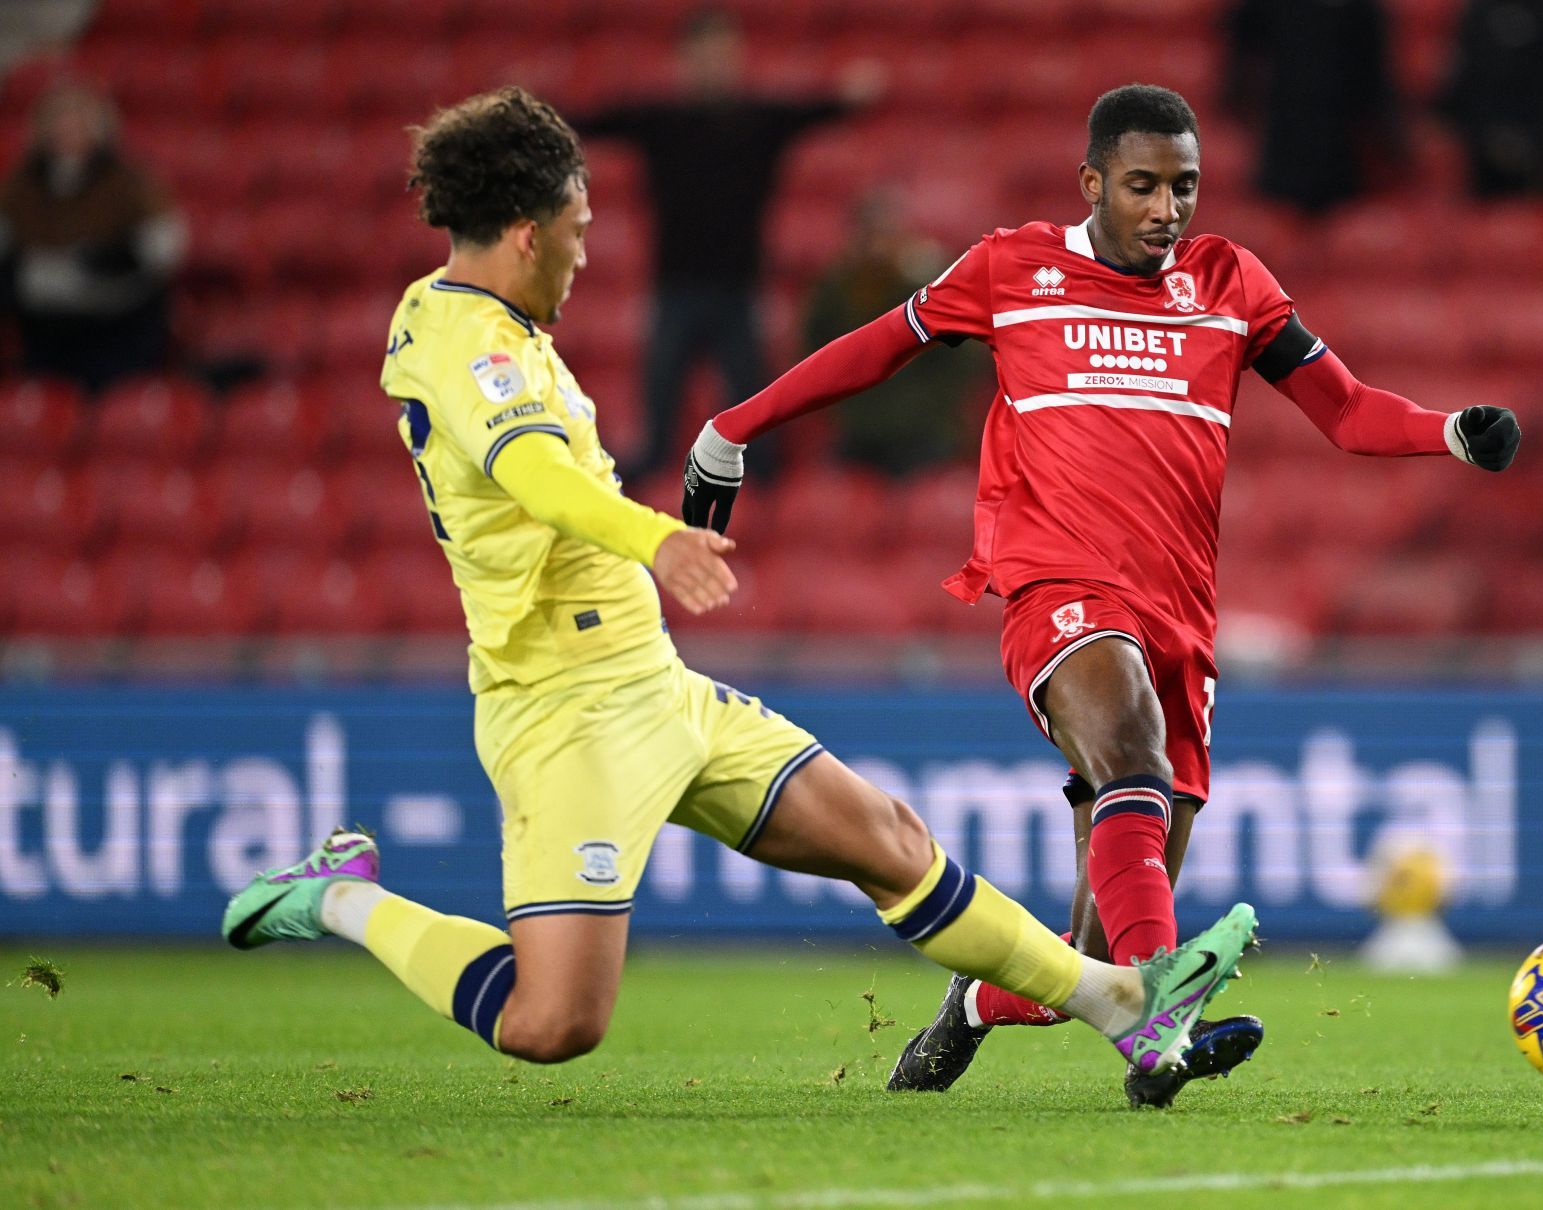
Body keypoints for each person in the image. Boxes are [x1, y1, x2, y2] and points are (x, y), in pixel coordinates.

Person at [220, 87, 1258, 1086]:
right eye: (577, 227)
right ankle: (338, 899)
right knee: (554, 1022)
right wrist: (658, 541)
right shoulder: (474, 350)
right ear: (530, 231)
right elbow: (531, 475)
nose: (587, 253)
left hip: (651, 682)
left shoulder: (470, 322)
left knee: (890, 844)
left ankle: (1121, 1003)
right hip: (564, 709)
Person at [683, 84, 1522, 1107]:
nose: (1167, 208)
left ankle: (983, 1003)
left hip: (1181, 615)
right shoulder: (1009, 269)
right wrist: (732, 427)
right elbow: (877, 347)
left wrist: (1446, 431)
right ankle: (1161, 1021)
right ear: (1092, 183)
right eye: (1143, 186)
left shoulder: (1231, 285)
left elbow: (1343, 411)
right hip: (1058, 587)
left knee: (1086, 953)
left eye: (1186, 186)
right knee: (1131, 753)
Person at [572, 6, 878, 478]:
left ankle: (765, 513)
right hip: (675, 290)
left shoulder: (759, 121)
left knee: (757, 428)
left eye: (723, 53)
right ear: (686, 59)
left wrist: (852, 97)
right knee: (658, 428)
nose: (715, 63)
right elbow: (596, 123)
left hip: (738, 291)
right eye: (705, 53)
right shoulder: (662, 123)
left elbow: (815, 110)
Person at [0, 79, 184, 392]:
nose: (66, 128)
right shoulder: (20, 185)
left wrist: (108, 261)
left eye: (77, 119)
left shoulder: (129, 181)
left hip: (116, 320)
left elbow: (162, 248)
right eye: (58, 119)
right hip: (44, 321)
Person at [803, 190, 984, 476]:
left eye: (885, 237)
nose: (877, 249)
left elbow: (965, 358)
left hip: (925, 433)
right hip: (858, 432)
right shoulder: (840, 288)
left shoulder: (934, 285)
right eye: (868, 238)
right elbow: (813, 347)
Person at [1222, 0, 1403, 214]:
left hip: (1345, 156)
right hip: (1282, 148)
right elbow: (1239, 78)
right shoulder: (1265, 9)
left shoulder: (1363, 11)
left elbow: (1376, 94)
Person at [1439, 0, 1543, 198]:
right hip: (1480, 138)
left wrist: (1526, 135)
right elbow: (1466, 75)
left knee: (1527, 211)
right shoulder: (1478, 12)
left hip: (1532, 137)